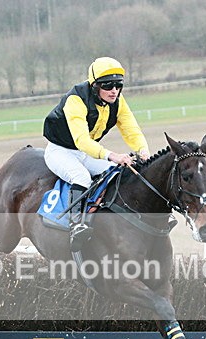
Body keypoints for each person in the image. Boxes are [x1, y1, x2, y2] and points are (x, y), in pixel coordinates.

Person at [43, 57, 150, 251]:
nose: (114, 90)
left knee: (120, 173)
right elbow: (82, 141)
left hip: (86, 153)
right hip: (60, 151)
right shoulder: (76, 99)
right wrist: (113, 155)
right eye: (108, 85)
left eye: (118, 85)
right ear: (95, 86)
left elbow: (131, 130)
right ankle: (76, 225)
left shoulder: (117, 101)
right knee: (81, 177)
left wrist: (143, 152)